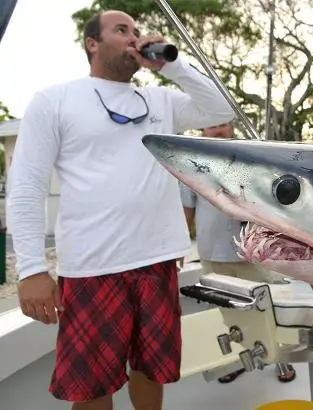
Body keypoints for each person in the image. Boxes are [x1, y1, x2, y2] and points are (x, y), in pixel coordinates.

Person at [7, 10, 234, 410]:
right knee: (92, 385)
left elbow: (220, 111)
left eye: (136, 31)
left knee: (150, 370)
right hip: (93, 267)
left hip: (158, 261)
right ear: (92, 44)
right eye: (121, 30)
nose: (134, 37)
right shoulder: (55, 100)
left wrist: (174, 65)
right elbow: (27, 186)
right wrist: (31, 270)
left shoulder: (159, 99)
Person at [180, 121, 297, 384]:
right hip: (211, 253)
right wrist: (179, 245)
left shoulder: (250, 158)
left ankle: (281, 360)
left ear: (232, 126)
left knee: (268, 311)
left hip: (252, 254)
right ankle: (234, 361)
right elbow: (186, 210)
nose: (217, 129)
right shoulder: (191, 164)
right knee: (228, 316)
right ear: (202, 129)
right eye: (211, 125)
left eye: (222, 124)